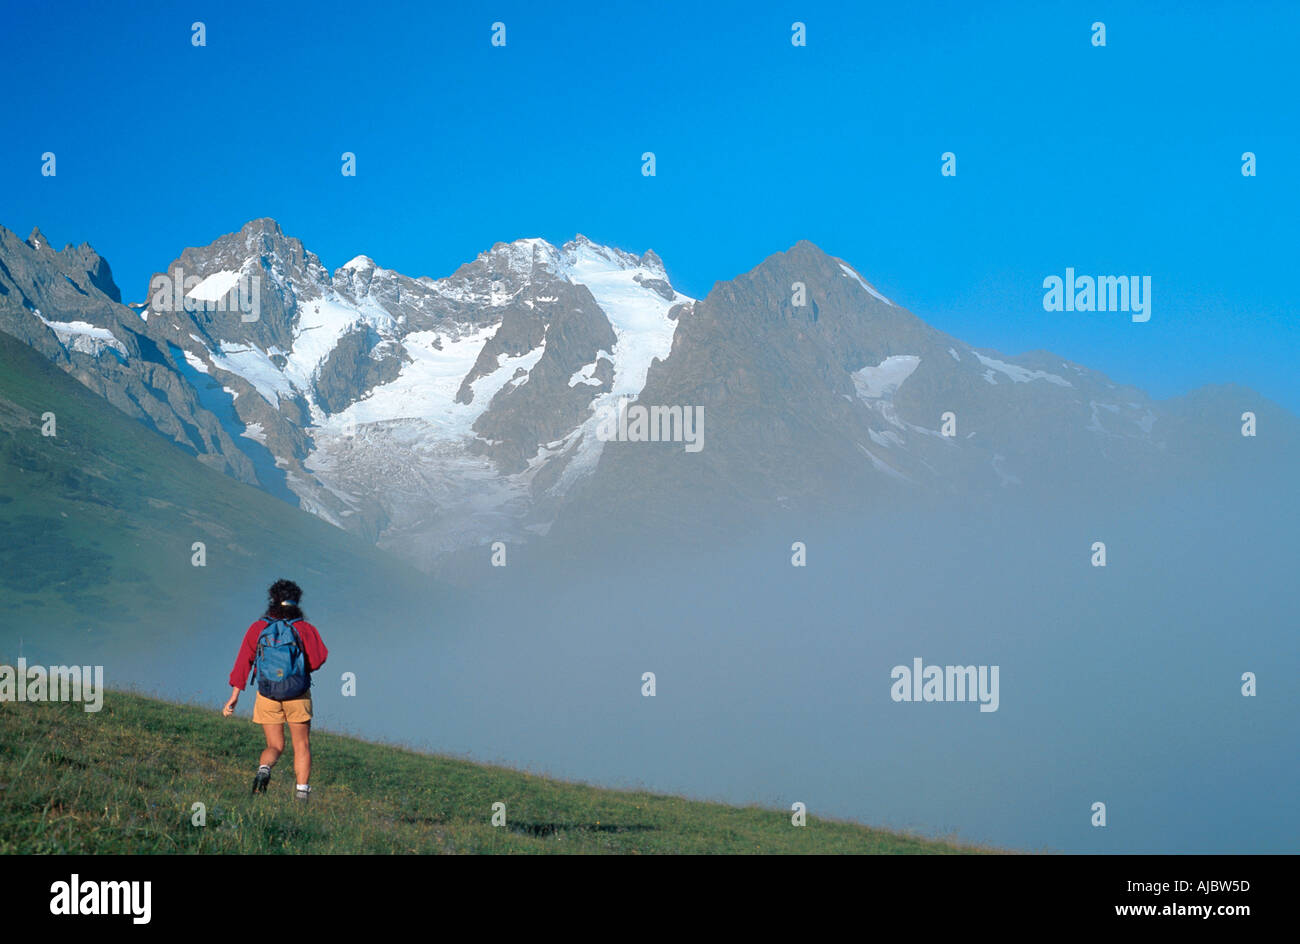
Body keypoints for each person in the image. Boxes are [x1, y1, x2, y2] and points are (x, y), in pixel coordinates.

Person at [222, 579, 328, 801]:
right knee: (302, 745)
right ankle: (301, 794)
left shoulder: (258, 628)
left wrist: (234, 696)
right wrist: (298, 667)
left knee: (274, 745)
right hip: (297, 693)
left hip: (267, 693)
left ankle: (264, 770)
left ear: (271, 600)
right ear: (297, 601)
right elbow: (319, 659)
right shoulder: (304, 628)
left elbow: (244, 661)